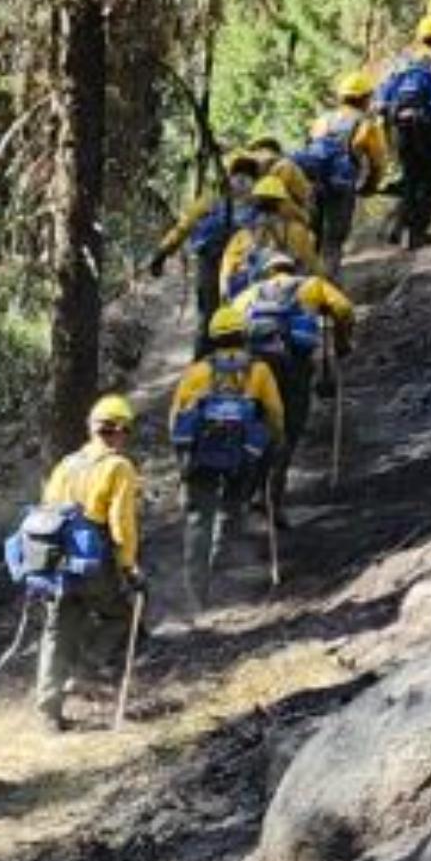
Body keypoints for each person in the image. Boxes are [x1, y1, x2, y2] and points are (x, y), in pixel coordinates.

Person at [34, 394, 143, 730]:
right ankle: (85, 670)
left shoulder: (66, 464)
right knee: (118, 615)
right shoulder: (118, 466)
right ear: (121, 430)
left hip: (57, 560)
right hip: (93, 560)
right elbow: (120, 520)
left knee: (56, 633)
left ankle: (48, 713)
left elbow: (47, 508)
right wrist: (128, 565)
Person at [169, 301, 284, 608]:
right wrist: (274, 444)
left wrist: (181, 458)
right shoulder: (259, 371)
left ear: (213, 337)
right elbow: (274, 413)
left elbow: (176, 417)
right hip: (241, 453)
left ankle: (196, 594)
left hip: (200, 456)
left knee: (197, 519)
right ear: (243, 334)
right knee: (232, 508)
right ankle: (223, 575)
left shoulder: (195, 373)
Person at [235, 252, 355, 525]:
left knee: (259, 425)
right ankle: (272, 500)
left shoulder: (253, 292)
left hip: (256, 369)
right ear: (293, 267)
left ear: (269, 271)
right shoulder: (311, 285)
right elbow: (345, 309)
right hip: (294, 367)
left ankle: (247, 494)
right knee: (289, 428)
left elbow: (230, 319)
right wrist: (342, 342)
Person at [375, 15, 431, 249]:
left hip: (401, 128)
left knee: (410, 178)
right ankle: (416, 234)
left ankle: (400, 228)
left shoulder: (404, 62)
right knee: (428, 180)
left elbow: (382, 98)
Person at [300, 71, 388, 275]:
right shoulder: (367, 126)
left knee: (311, 238)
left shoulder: (323, 120)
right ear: (365, 98)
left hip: (312, 185)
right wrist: (369, 187)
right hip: (341, 186)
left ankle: (303, 289)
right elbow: (378, 163)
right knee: (333, 242)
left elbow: (309, 148)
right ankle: (327, 288)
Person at [148, 152, 236, 356]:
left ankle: (201, 368)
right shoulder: (255, 201)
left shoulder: (208, 201)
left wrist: (161, 254)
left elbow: (183, 228)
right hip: (240, 266)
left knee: (208, 315)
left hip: (210, 262)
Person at [220, 173, 323, 298]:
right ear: (283, 203)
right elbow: (312, 265)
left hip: (253, 298)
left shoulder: (243, 235)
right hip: (287, 294)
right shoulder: (297, 231)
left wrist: (225, 292)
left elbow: (228, 268)